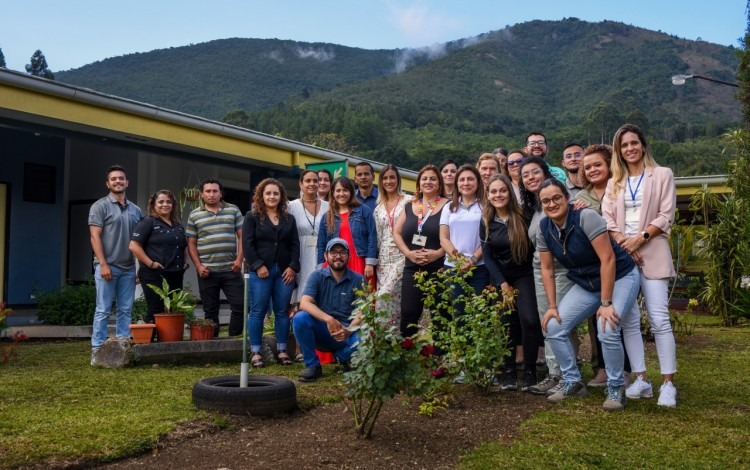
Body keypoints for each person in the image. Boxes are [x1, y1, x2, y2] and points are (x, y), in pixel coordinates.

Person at [537, 178, 640, 410]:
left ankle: (616, 387)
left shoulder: (586, 217)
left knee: (607, 327)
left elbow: (608, 259)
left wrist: (606, 303)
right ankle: (572, 381)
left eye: (556, 198)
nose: (552, 204)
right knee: (554, 326)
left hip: (620, 276)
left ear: (567, 197)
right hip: (586, 283)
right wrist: (552, 306)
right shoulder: (545, 228)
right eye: (546, 201)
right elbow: (547, 268)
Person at [602, 123, 678, 408]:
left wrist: (641, 238)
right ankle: (642, 379)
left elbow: (666, 213)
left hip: (653, 251)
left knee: (659, 319)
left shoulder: (662, 175)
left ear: (643, 145)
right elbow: (608, 220)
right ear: (619, 151)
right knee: (629, 321)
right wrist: (625, 244)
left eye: (634, 143)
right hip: (624, 258)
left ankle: (668, 383)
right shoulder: (614, 182)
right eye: (624, 145)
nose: (630, 148)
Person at [518, 157, 571, 396]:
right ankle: (555, 373)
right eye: (525, 175)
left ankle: (565, 375)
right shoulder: (535, 206)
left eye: (535, 172)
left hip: (563, 269)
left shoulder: (562, 197)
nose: (530, 177)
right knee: (546, 322)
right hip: (540, 271)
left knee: (558, 322)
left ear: (545, 172)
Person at [481, 174, 539, 392]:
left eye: (502, 190)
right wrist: (503, 285)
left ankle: (531, 371)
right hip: (501, 278)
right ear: (488, 195)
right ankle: (509, 372)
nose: (498, 195)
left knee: (530, 320)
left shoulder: (523, 216)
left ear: (509, 193)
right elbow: (487, 257)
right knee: (507, 323)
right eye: (493, 191)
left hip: (524, 275)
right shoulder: (486, 221)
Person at [242, 178, 300, 368]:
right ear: (261, 196)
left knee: (282, 311)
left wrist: (292, 266)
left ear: (281, 196)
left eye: (276, 193)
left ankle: (283, 350)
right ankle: (256, 352)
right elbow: (247, 245)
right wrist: (258, 265)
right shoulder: (252, 217)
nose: (272, 197)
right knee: (258, 311)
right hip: (261, 272)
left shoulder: (288, 219)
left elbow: (294, 245)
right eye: (268, 193)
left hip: (284, 272)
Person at [89, 165, 143, 365]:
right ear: (108, 183)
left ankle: (122, 348)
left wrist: (138, 268)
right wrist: (103, 264)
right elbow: (95, 236)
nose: (118, 181)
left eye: (121, 178)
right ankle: (97, 350)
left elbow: (138, 243)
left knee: (125, 310)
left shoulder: (136, 210)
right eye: (114, 179)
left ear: (127, 182)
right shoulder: (99, 206)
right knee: (102, 310)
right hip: (107, 267)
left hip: (128, 268)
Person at [293, 238, 365, 382]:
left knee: (367, 341)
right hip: (323, 331)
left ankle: (342, 356)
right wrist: (328, 319)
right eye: (333, 252)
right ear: (326, 256)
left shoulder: (358, 279)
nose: (338, 256)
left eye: (342, 252)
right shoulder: (317, 276)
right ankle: (313, 366)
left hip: (347, 333)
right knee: (300, 318)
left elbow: (363, 311)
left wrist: (349, 330)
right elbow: (305, 303)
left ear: (349, 256)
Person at [393, 164, 448, 337]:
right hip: (412, 267)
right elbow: (396, 232)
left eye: (433, 178)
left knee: (440, 314)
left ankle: (442, 358)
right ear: (419, 183)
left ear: (439, 183)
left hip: (439, 268)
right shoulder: (410, 206)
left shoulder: (449, 206)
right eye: (424, 178)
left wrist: (438, 253)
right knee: (409, 313)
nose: (428, 182)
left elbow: (453, 237)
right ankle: (408, 356)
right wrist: (408, 253)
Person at [186, 178, 244, 336]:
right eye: (208, 191)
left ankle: (234, 340)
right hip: (207, 271)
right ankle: (213, 342)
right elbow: (191, 243)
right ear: (201, 194)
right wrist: (198, 266)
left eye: (214, 191)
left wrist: (239, 260)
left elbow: (242, 236)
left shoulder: (233, 210)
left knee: (240, 306)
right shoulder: (194, 215)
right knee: (210, 310)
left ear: (221, 193)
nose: (211, 194)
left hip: (231, 269)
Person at [129, 189, 188, 324]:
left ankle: (169, 343)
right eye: (161, 202)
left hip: (175, 273)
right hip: (154, 273)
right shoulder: (148, 222)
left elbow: (183, 246)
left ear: (173, 205)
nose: (165, 204)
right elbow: (134, 246)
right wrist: (150, 263)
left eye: (168, 202)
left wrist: (185, 262)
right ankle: (152, 344)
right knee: (156, 309)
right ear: (153, 204)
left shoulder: (178, 225)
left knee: (173, 310)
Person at [439, 164, 489, 296]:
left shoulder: (486, 206)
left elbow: (489, 238)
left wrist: (472, 260)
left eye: (470, 179)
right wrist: (459, 260)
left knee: (479, 312)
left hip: (480, 267)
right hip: (453, 267)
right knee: (458, 312)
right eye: (462, 180)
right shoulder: (448, 207)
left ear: (478, 182)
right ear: (457, 184)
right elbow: (443, 238)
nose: (466, 183)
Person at [317, 176, 377, 280]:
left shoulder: (363, 211)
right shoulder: (326, 217)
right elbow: (321, 244)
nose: (341, 194)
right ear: (333, 193)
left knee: (361, 294)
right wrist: (320, 267)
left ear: (351, 192)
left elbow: (372, 237)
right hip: (335, 262)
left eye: (345, 190)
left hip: (359, 261)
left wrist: (370, 262)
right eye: (338, 190)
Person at [373, 165, 410, 325]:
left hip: (403, 255)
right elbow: (378, 238)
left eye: (392, 177)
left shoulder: (409, 201)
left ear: (398, 179)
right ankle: (389, 340)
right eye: (385, 178)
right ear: (381, 182)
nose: (389, 181)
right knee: (390, 301)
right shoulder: (378, 208)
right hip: (383, 260)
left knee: (385, 296)